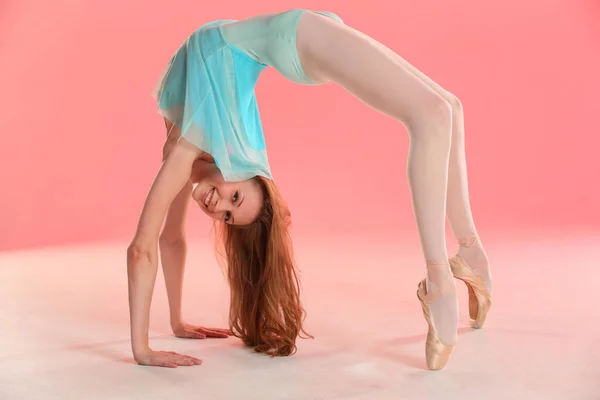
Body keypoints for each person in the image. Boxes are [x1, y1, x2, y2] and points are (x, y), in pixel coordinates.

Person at [127, 8, 493, 370]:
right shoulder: (191, 150)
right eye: (229, 212)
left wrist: (149, 344)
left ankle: (448, 270)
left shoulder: (191, 146)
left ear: (243, 171)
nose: (218, 205)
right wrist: (168, 328)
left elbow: (150, 245)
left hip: (296, 36)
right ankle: (458, 262)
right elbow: (166, 239)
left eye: (232, 202)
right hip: (299, 41)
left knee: (444, 110)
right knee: (438, 112)